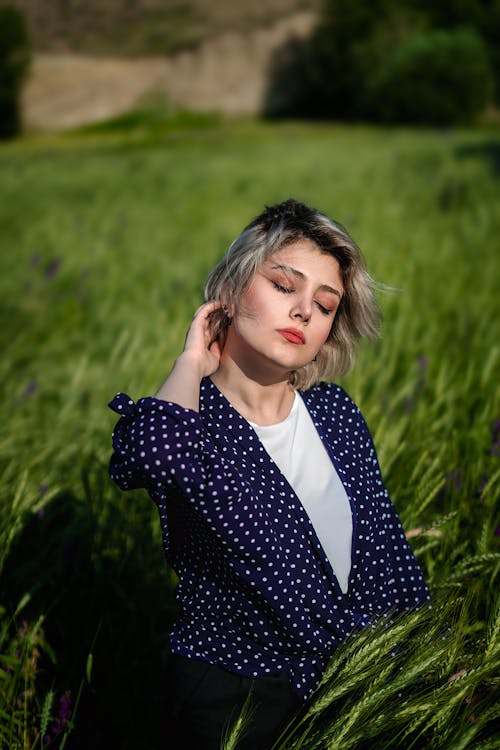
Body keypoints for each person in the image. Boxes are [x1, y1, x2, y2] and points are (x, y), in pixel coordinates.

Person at [108, 199, 429, 749]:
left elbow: (387, 556)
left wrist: (428, 661)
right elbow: (150, 458)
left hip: (346, 691)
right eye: (285, 286)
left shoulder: (336, 415)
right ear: (230, 290)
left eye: (325, 305)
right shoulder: (191, 420)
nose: (305, 311)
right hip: (232, 703)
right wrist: (191, 361)